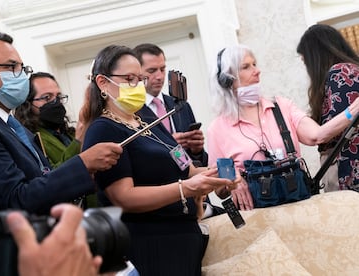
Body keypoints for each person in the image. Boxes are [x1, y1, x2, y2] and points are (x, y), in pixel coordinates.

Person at [0, 32, 122, 272]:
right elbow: (15, 199)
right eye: (10, 66)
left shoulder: (12, 126)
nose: (21, 76)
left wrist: (84, 171)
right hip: (18, 260)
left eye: (21, 67)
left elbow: (41, 179)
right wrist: (82, 164)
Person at [81, 44, 236, 276]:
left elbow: (187, 169)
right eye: (129, 79)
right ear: (103, 83)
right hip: (148, 241)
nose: (138, 86)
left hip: (183, 236)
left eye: (139, 79)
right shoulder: (104, 129)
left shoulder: (145, 119)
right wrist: (184, 189)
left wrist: (217, 175)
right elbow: (124, 197)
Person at [207, 44, 359, 210]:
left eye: (254, 64)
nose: (257, 71)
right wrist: (232, 179)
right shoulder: (217, 129)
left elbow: (317, 135)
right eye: (246, 67)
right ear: (227, 79)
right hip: (258, 218)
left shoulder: (282, 106)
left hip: (300, 208)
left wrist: (353, 109)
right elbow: (219, 191)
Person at [297, 24, 359, 192]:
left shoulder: (340, 72)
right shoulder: (351, 71)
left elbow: (343, 131)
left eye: (306, 61)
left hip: (347, 167)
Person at [133, 43, 208, 167]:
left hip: (189, 179)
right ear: (137, 73)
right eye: (152, 71)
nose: (159, 76)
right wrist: (169, 145)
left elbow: (197, 162)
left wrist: (197, 151)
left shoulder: (181, 106)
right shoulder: (132, 112)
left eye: (162, 69)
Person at [15, 72, 82, 169]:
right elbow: (50, 175)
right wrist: (78, 141)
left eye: (58, 97)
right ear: (28, 104)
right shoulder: (30, 140)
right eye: (47, 97)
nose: (56, 102)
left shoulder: (68, 132)